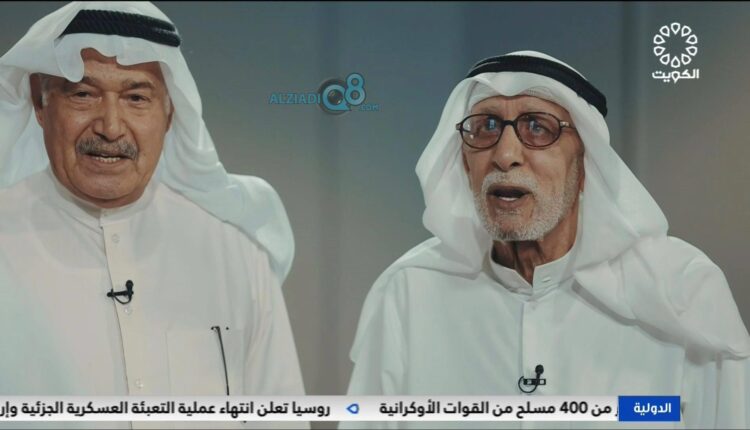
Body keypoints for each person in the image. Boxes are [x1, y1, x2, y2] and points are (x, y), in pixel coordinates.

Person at [345, 51, 750, 428]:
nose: (505, 154)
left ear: (586, 162)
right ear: (465, 163)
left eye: (537, 127)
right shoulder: (408, 292)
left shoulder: (682, 292)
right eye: (486, 127)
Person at [0, 0, 304, 415]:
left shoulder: (236, 251)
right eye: (83, 94)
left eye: (136, 97)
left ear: (170, 109)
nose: (110, 127)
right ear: (40, 102)